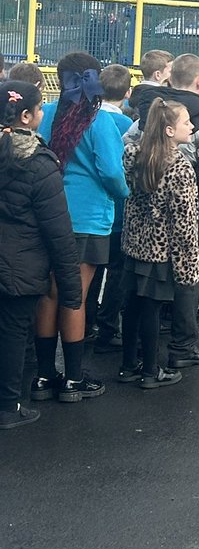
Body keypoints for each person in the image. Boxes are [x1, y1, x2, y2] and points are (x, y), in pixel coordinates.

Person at [35, 52, 128, 403]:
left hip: (47, 213)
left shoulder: (47, 114)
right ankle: (74, 379)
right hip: (88, 219)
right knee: (75, 296)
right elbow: (112, 172)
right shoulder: (99, 121)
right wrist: (124, 193)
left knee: (50, 292)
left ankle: (44, 376)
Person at [0, 81, 81, 429]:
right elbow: (58, 231)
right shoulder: (38, 162)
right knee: (13, 335)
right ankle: (7, 406)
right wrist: (71, 290)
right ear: (26, 116)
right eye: (38, 109)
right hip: (21, 267)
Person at [151, 54, 199, 370]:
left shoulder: (154, 106)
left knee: (154, 270)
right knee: (188, 272)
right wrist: (186, 181)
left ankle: (150, 333)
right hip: (190, 206)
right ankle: (184, 342)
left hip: (151, 206)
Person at [120, 96, 199, 388]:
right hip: (161, 251)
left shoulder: (135, 156)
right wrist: (187, 265)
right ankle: (151, 371)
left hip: (135, 245)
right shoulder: (180, 167)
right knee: (152, 310)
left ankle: (129, 365)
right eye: (186, 122)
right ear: (169, 130)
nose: (192, 127)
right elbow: (184, 222)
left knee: (132, 307)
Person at [88, 64, 134, 354]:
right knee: (116, 272)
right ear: (127, 93)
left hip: (93, 212)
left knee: (91, 272)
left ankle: (85, 323)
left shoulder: (88, 118)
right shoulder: (125, 124)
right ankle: (108, 327)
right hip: (118, 211)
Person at [128, 50, 173, 120]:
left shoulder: (135, 93)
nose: (172, 74)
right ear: (158, 75)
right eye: (170, 72)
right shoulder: (162, 98)